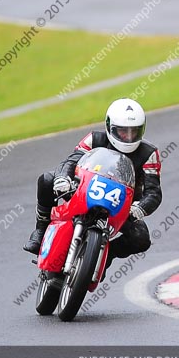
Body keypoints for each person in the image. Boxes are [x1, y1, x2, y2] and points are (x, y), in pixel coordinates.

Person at [23, 98, 162, 271]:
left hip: (121, 206)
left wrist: (140, 208)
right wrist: (63, 179)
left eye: (134, 132)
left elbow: (154, 192)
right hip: (84, 188)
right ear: (110, 127)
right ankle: (40, 231)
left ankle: (107, 255)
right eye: (123, 132)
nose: (129, 137)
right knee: (46, 180)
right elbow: (71, 160)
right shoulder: (94, 138)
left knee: (141, 239)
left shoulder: (149, 153)